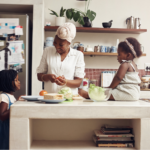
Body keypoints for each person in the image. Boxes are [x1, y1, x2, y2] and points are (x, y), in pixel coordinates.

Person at [37, 23, 85, 94]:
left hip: (69, 99)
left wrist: (65, 82)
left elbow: (78, 82)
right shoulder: (47, 51)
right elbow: (39, 76)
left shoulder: (78, 55)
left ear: (69, 43)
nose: (57, 46)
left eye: (61, 45)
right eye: (55, 43)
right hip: (50, 98)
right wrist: (48, 77)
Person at [0, 70, 21, 150]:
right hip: (5, 131)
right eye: (16, 80)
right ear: (7, 82)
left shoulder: (11, 96)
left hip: (10, 129)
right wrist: (16, 105)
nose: (19, 82)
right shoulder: (4, 96)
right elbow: (2, 115)